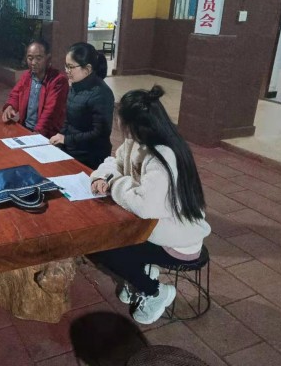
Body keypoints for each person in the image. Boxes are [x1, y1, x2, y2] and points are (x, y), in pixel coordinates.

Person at [88, 85, 211, 325]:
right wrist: (102, 177)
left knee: (104, 247)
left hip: (177, 238)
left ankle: (154, 291)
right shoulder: (138, 140)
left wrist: (114, 183)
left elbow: (145, 206)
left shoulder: (164, 156)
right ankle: (139, 274)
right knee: (108, 238)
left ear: (131, 123)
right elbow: (115, 162)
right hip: (153, 226)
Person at [49, 42, 114, 169]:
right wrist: (60, 137)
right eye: (66, 66)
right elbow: (69, 120)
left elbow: (99, 134)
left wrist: (66, 139)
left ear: (87, 69)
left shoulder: (101, 94)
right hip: (72, 148)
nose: (66, 71)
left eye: (70, 67)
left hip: (91, 156)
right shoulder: (76, 85)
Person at [1, 38, 69, 138]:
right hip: (25, 128)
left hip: (47, 134)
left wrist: (36, 135)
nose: (33, 62)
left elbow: (50, 113)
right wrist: (11, 106)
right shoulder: (27, 76)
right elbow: (16, 94)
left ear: (48, 58)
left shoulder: (58, 81)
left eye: (38, 58)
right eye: (30, 58)